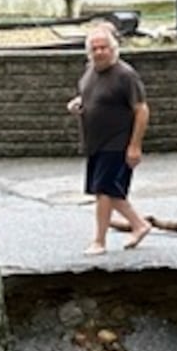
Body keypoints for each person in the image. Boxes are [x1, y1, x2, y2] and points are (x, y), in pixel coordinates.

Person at [68, 21, 153, 255]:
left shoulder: (125, 75)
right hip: (95, 142)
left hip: (117, 142)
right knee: (106, 190)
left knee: (105, 191)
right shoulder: (90, 71)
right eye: (94, 48)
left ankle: (99, 241)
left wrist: (135, 146)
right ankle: (139, 224)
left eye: (103, 47)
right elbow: (89, 96)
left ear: (114, 48)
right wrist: (78, 104)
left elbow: (142, 110)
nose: (99, 52)